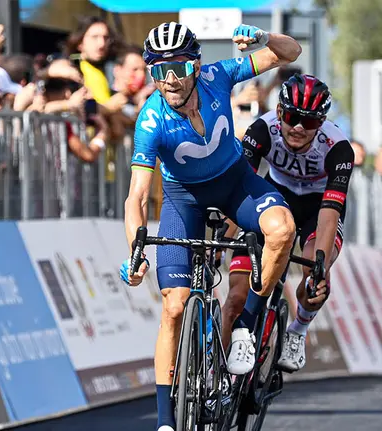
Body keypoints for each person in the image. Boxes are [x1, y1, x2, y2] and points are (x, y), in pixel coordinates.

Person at [119, 22, 301, 431]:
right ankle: (166, 422)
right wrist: (134, 248)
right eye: (159, 71)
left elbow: (290, 53)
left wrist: (263, 38)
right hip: (184, 200)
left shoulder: (219, 75)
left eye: (179, 68)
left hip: (235, 183)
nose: (170, 80)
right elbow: (138, 196)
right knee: (174, 305)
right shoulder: (151, 120)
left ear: (196, 66)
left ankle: (244, 326)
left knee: (282, 230)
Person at [222, 73, 354, 372]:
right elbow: (239, 189)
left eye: (308, 122)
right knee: (236, 298)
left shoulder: (338, 147)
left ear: (320, 123)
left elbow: (331, 210)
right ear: (280, 111)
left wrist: (320, 263)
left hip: (317, 207)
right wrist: (224, 236)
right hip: (273, 196)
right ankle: (220, 378)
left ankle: (298, 329)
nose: (297, 127)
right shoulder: (262, 129)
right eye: (292, 116)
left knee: (313, 275)